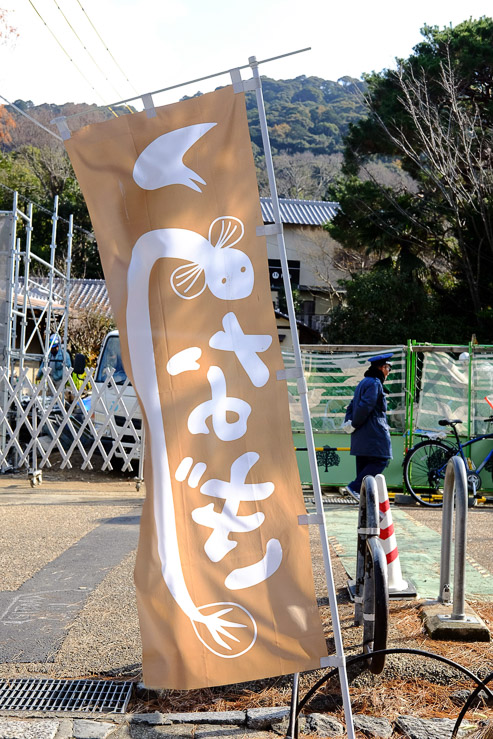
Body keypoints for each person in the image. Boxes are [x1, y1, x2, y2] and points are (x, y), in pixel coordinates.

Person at [341, 353, 393, 502]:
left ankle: (363, 497)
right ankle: (355, 487)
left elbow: (352, 405)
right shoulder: (375, 383)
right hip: (374, 431)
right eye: (388, 368)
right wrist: (354, 423)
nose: (389, 372)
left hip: (361, 434)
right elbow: (365, 406)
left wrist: (349, 422)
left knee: (364, 465)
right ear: (382, 368)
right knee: (381, 460)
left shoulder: (364, 382)